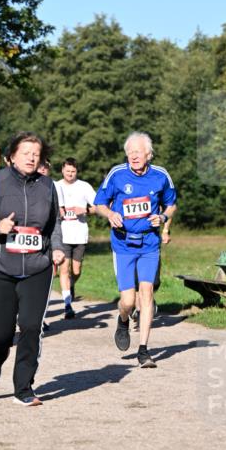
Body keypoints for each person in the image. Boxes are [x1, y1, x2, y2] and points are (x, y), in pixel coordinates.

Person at [0, 132, 65, 407]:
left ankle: (23, 388)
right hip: (1, 265)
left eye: (36, 153)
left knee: (31, 326)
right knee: (1, 333)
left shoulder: (48, 185)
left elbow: (54, 224)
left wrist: (57, 248)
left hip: (38, 265)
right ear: (11, 156)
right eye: (25, 152)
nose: (31, 157)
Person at [93, 132, 177, 367]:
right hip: (123, 244)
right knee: (128, 301)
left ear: (149, 154)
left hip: (149, 243)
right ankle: (122, 321)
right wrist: (110, 213)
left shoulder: (161, 176)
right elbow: (98, 203)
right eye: (130, 152)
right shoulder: (117, 174)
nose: (133, 156)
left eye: (138, 152)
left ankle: (143, 350)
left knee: (147, 293)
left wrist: (162, 217)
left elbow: (171, 205)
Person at [56, 158, 96, 319]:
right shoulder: (56, 186)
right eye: (67, 171)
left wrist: (85, 209)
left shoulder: (84, 186)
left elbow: (97, 207)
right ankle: (67, 305)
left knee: (76, 270)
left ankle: (71, 286)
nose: (70, 174)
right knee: (64, 270)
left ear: (76, 172)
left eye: (73, 171)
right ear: (62, 171)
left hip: (80, 234)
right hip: (63, 234)